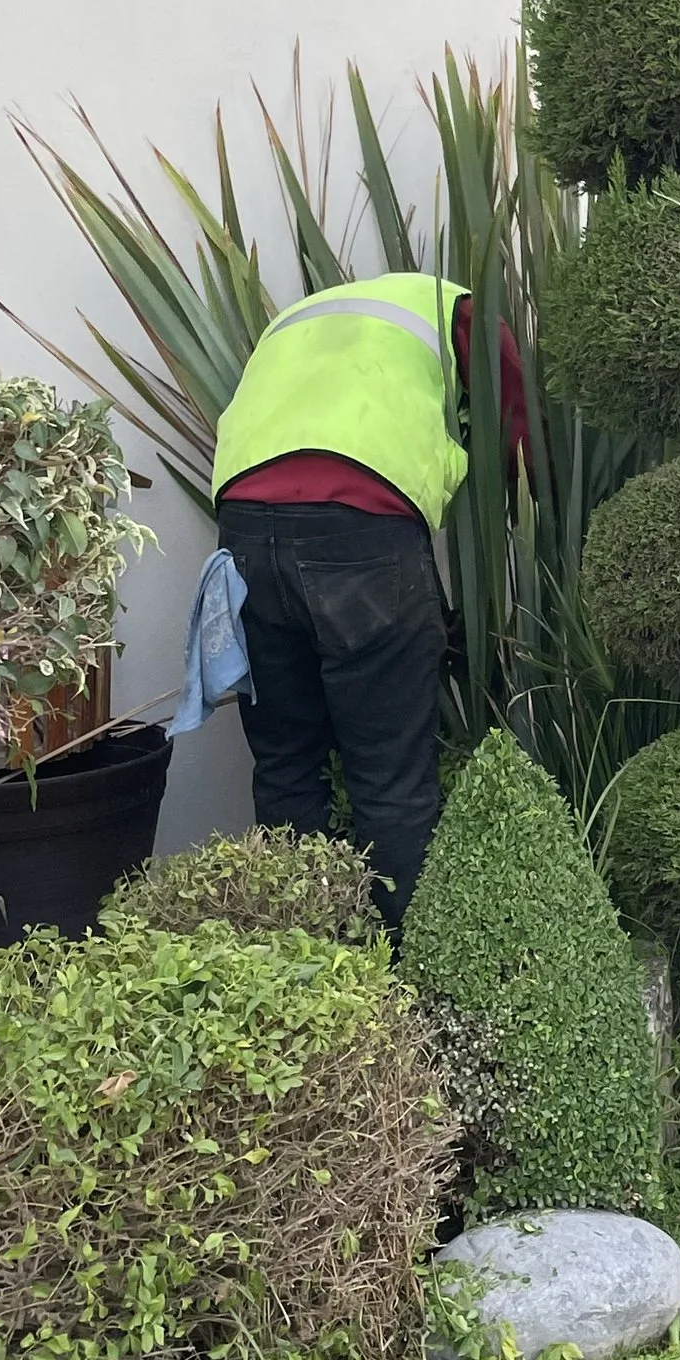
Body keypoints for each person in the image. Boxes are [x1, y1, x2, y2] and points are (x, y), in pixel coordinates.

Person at [211, 273, 518, 935]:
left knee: (286, 765)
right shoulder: (455, 305)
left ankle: (307, 967)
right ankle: (406, 986)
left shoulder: (298, 318)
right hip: (359, 533)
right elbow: (520, 430)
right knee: (391, 782)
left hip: (241, 533)